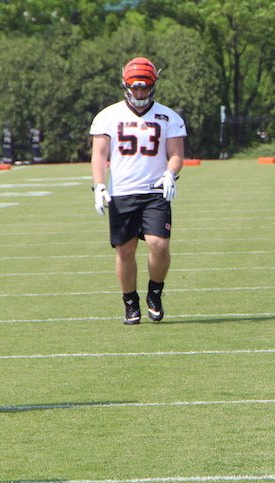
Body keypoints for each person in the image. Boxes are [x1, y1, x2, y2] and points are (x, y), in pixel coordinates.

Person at [90, 57, 186, 325]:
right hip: (122, 191)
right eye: (136, 87)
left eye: (145, 87)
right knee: (125, 250)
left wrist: (170, 174)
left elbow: (176, 153)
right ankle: (130, 302)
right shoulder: (108, 116)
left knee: (159, 245)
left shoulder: (169, 116)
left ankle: (154, 293)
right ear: (126, 86)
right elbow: (99, 154)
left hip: (155, 190)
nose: (140, 92)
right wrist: (99, 185)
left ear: (153, 85)